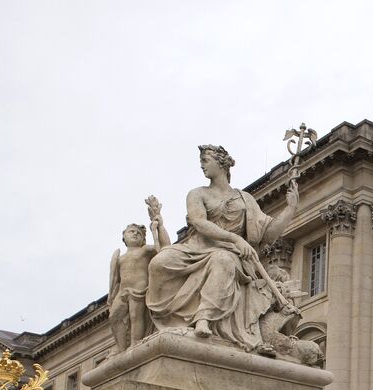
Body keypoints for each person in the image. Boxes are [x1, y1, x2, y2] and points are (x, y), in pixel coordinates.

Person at [146, 144, 299, 348]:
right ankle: (161, 319)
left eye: (205, 161)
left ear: (221, 163)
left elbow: (269, 234)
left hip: (231, 255)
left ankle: (203, 318)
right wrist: (235, 238)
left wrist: (291, 208)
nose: (202, 166)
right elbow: (199, 222)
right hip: (196, 249)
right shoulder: (197, 194)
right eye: (201, 162)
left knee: (222, 261)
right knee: (159, 262)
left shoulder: (246, 200)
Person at [108, 197, 170, 353]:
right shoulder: (119, 257)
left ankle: (136, 344)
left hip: (139, 289)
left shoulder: (145, 250)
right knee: (114, 317)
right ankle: (122, 348)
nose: (135, 234)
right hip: (122, 292)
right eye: (131, 232)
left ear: (143, 239)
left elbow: (163, 249)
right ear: (124, 237)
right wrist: (111, 295)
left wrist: (155, 230)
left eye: (138, 233)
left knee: (136, 317)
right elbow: (115, 279)